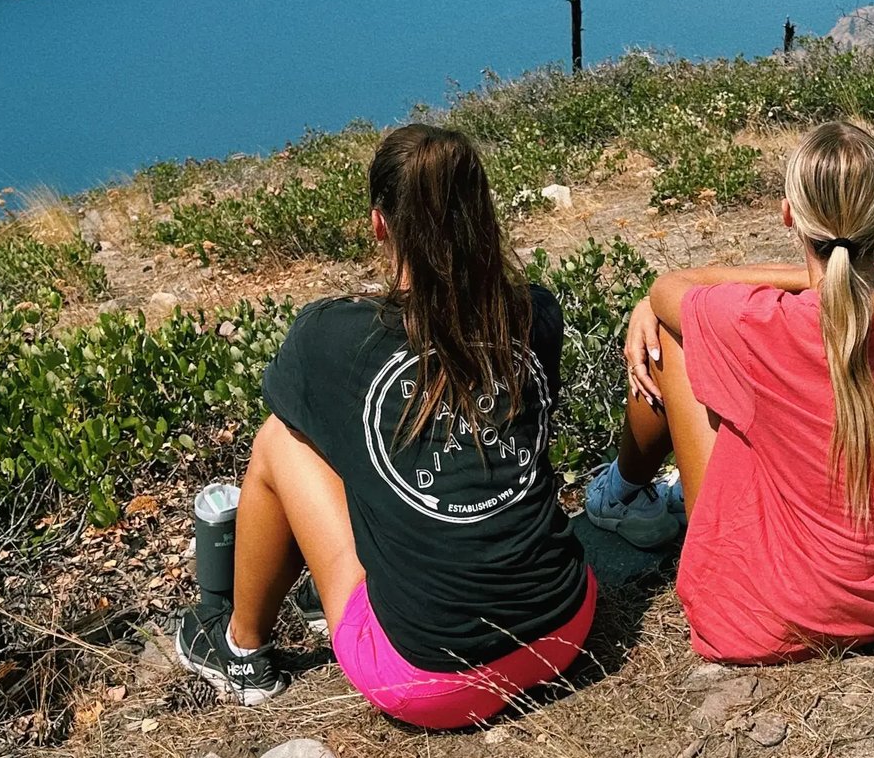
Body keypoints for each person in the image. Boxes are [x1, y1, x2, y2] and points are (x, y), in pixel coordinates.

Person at [174, 122, 596, 726]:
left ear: (379, 225)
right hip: (563, 630)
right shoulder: (535, 312)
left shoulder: (335, 337)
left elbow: (331, 437)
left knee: (279, 439)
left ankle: (240, 648)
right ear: (483, 214)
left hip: (432, 683)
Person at [586, 118, 874, 662]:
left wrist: (650, 303)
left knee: (672, 331)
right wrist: (821, 272)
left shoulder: (765, 325)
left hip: (784, 613)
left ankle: (622, 493)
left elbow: (670, 290)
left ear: (788, 213)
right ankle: (630, 491)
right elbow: (844, 282)